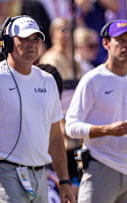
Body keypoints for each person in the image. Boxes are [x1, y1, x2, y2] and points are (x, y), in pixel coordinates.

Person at [0, 15, 76, 203]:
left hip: (40, 175)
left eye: (35, 39)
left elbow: (56, 136)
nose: (31, 44)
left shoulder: (47, 81)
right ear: (7, 43)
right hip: (5, 173)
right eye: (24, 39)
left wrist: (64, 181)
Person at [65, 19, 127, 203]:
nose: (125, 46)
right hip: (101, 167)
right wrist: (107, 130)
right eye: (120, 41)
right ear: (106, 43)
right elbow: (71, 126)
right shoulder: (93, 79)